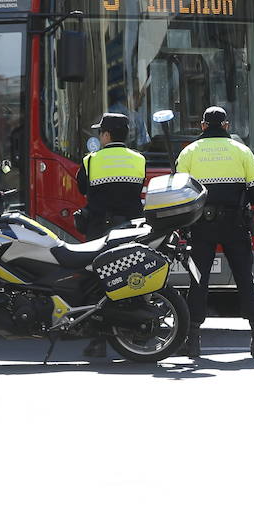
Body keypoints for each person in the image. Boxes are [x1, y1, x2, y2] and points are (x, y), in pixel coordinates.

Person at [175, 106, 254, 359]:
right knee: (245, 279)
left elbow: (177, 191)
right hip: (235, 225)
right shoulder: (241, 151)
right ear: (226, 126)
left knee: (198, 280)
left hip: (201, 227)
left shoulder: (189, 153)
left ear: (203, 126)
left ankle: (193, 340)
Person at [76, 112, 147, 359]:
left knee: (99, 281)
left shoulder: (91, 161)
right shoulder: (139, 159)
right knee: (129, 276)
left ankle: (98, 340)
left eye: (100, 132)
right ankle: (134, 329)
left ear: (106, 135)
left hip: (100, 230)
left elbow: (82, 188)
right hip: (131, 228)